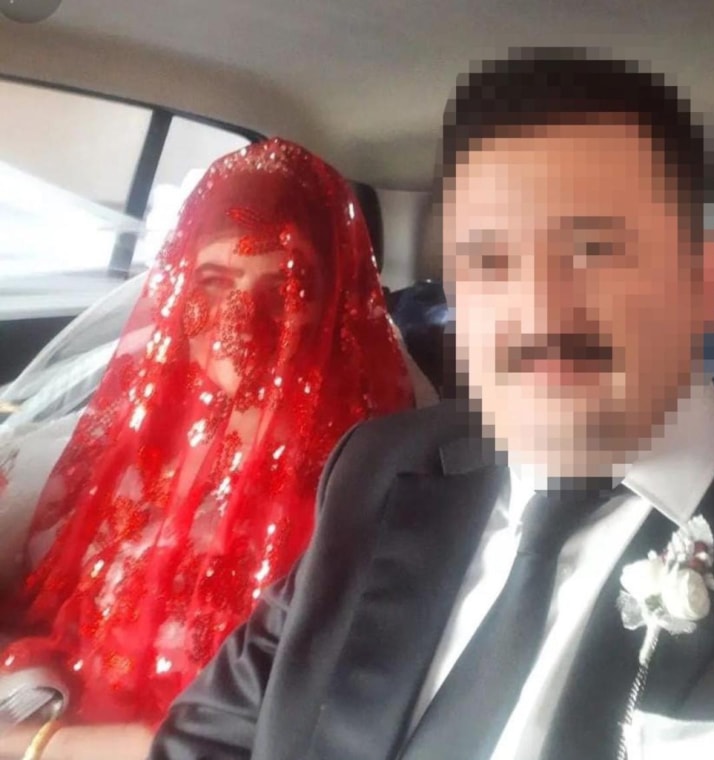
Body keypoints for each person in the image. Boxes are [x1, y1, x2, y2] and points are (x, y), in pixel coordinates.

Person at [149, 50, 714, 760]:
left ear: (703, 281)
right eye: (488, 261)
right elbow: (209, 737)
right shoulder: (381, 466)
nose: (538, 310)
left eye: (595, 248)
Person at [0, 137, 418, 758]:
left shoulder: (368, 488)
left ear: (333, 303)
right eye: (215, 282)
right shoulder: (149, 442)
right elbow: (63, 618)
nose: (240, 320)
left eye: (286, 287)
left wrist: (38, 746)